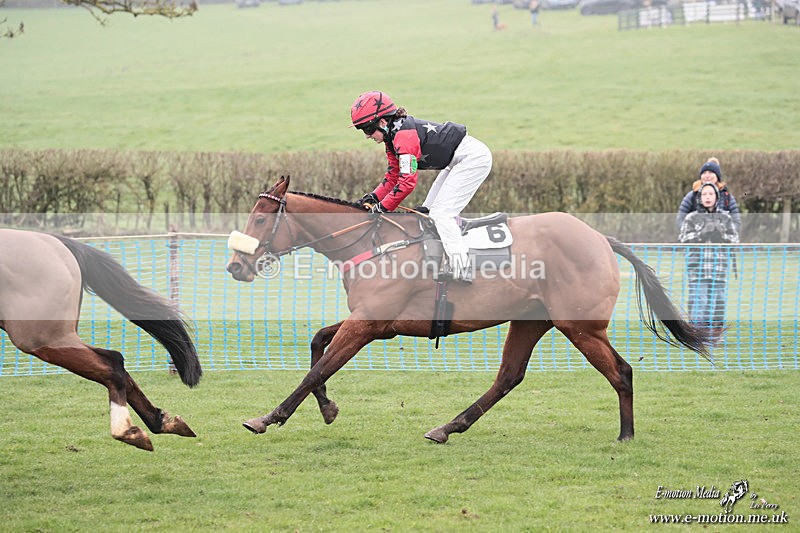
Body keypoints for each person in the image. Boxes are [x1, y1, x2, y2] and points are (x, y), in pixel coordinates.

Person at [350, 90, 493, 283]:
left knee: (441, 214)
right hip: (456, 161)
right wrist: (373, 197)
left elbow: (407, 182)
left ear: (383, 122)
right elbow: (393, 176)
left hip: (472, 159)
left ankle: (462, 267)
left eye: (367, 130)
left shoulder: (403, 136)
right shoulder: (392, 138)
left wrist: (383, 208)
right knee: (426, 213)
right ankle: (442, 259)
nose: (367, 136)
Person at [678, 182, 739, 337]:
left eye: (711, 194)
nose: (707, 197)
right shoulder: (692, 218)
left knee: (719, 302)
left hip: (719, 269)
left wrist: (722, 235)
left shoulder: (725, 218)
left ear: (716, 197)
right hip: (698, 270)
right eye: (704, 194)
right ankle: (698, 336)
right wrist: (701, 234)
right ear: (699, 198)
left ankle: (716, 335)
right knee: (700, 302)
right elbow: (683, 239)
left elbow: (735, 239)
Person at [676, 157, 741, 233]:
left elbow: (736, 222)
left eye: (710, 173)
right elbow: (680, 221)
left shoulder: (727, 197)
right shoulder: (691, 196)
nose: (707, 176)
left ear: (717, 176)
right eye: (704, 173)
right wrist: (696, 235)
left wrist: (723, 234)